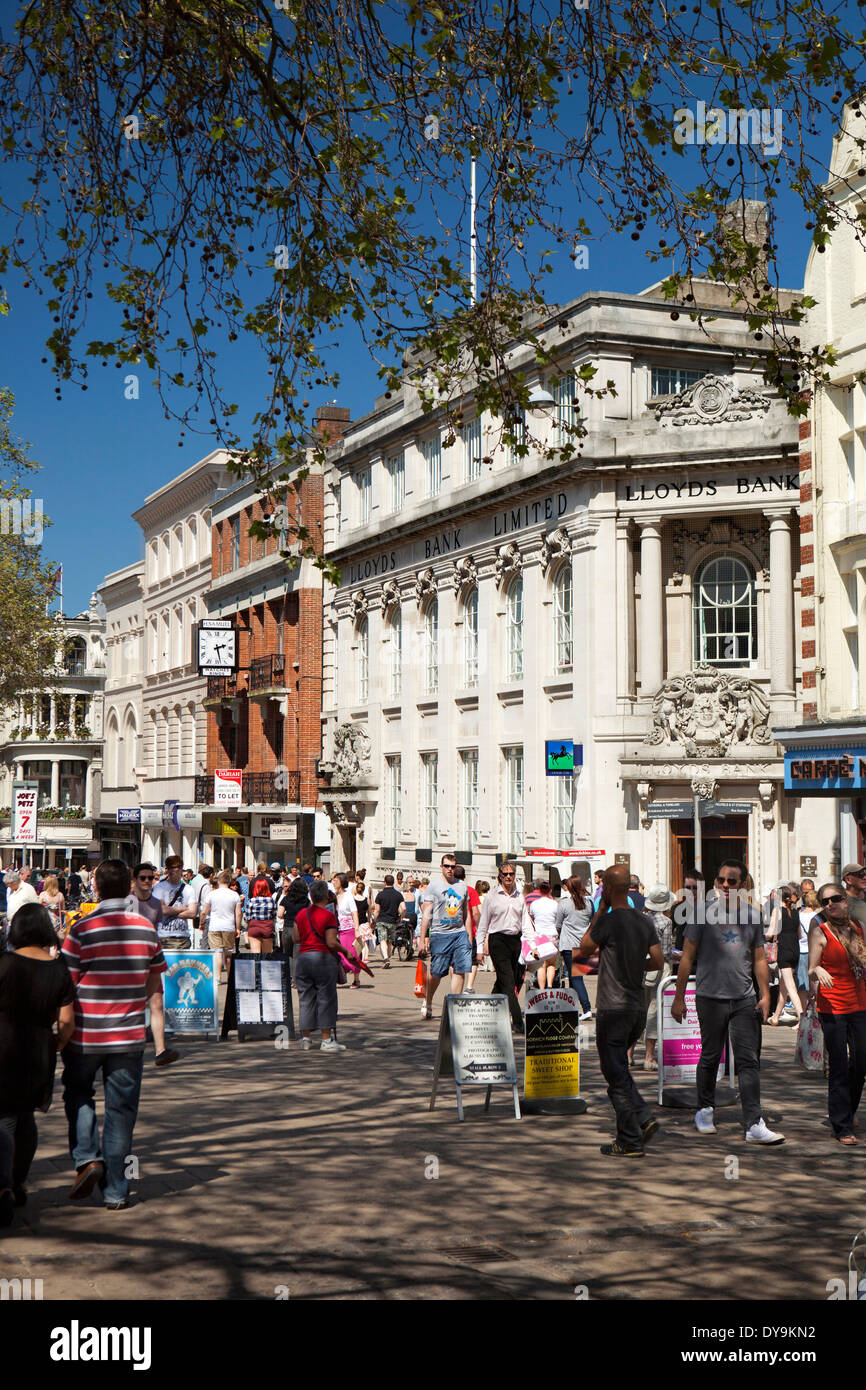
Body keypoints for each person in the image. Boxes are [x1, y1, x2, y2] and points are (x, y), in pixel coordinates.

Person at [61, 859, 167, 1209]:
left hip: (86, 1034)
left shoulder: (81, 929)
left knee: (78, 1094)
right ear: (128, 888)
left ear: (97, 888)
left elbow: (67, 983)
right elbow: (154, 980)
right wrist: (135, 997)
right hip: (129, 1034)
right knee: (121, 1112)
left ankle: (87, 1157)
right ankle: (116, 1190)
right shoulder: (145, 929)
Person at [672, 857, 783, 1145]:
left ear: (741, 885)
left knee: (748, 1061)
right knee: (710, 1057)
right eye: (720, 880)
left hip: (745, 999)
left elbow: (759, 958)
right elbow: (686, 957)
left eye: (731, 881)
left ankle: (754, 1122)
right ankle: (705, 1109)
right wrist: (679, 998)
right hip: (709, 997)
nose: (724, 885)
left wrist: (766, 994)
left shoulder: (751, 915)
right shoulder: (699, 913)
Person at [578, 865, 664, 1157]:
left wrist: (600, 911)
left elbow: (585, 948)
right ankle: (637, 1124)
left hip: (613, 1007)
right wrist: (637, 967)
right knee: (618, 1070)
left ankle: (632, 1134)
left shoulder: (609, 921)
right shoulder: (644, 921)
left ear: (609, 890)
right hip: (637, 1007)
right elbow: (659, 961)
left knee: (615, 1075)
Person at [0, 904, 76, 1224]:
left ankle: (2, 1187)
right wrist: (56, 1043)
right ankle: (18, 1180)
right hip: (38, 1050)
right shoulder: (59, 969)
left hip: (3, 1046)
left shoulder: (3, 963)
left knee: (3, 1119)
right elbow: (67, 1021)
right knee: (26, 1116)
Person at [808, 883, 866, 1145]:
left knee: (861, 1063)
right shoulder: (821, 932)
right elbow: (811, 968)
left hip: (860, 1004)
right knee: (840, 1065)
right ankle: (841, 1125)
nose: (831, 904)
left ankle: (848, 1110)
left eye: (836, 899)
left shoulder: (858, 929)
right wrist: (817, 971)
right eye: (825, 901)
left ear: (846, 901)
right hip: (832, 1006)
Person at [127, 863, 179, 1067]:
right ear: (135, 880)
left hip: (152, 957)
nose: (148, 881)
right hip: (132, 960)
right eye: (143, 878)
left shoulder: (156, 903)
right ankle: (132, 1048)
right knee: (135, 1006)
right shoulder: (129, 901)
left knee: (157, 1003)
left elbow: (155, 929)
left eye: (151, 877)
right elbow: (130, 929)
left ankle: (160, 1051)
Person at [475, 861, 532, 1033]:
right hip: (498, 941)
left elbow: (526, 923)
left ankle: (489, 1011)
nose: (508, 876)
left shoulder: (519, 896)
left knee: (511, 979)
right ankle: (517, 1020)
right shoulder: (492, 896)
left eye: (511, 874)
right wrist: (479, 949)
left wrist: (532, 945)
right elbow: (483, 924)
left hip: (516, 941)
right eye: (505, 874)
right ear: (500, 875)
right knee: (508, 981)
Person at [293, 880, 347, 1051]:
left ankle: (306, 1038)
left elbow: (296, 938)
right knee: (326, 998)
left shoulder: (301, 914)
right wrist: (345, 951)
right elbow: (331, 942)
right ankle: (326, 1039)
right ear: (325, 896)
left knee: (305, 999)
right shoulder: (328, 916)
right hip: (323, 959)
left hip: (303, 959)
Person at [418, 855, 470, 1021]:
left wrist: (468, 935)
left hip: (459, 933)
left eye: (453, 866)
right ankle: (428, 1000)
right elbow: (426, 914)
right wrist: (422, 939)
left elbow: (466, 914)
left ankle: (455, 1007)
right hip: (440, 934)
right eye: (447, 866)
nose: (450, 869)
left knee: (460, 969)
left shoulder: (462, 886)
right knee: (437, 973)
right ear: (441, 866)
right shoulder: (433, 886)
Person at [638, 883, 677, 1070]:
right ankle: (649, 1056)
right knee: (654, 1010)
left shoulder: (642, 919)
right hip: (660, 969)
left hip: (641, 968)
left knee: (641, 1009)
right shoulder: (666, 922)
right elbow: (667, 951)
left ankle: (629, 1054)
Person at [555, 876, 594, 1021]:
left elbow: (558, 924)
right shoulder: (589, 903)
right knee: (575, 977)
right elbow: (592, 921)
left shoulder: (564, 904)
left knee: (576, 978)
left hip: (568, 944)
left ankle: (586, 1007)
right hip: (583, 944)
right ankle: (574, 1007)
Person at [767, 883, 804, 1026]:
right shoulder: (795, 912)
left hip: (784, 949)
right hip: (795, 949)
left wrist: (761, 936)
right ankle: (776, 1016)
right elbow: (800, 935)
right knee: (784, 985)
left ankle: (802, 1018)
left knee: (790, 986)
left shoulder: (777, 911)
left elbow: (771, 932)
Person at [201, 870, 242, 979]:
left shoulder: (212, 894)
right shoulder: (235, 895)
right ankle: (229, 977)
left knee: (217, 953)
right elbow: (238, 913)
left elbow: (204, 911)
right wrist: (238, 928)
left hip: (214, 926)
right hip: (229, 926)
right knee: (228, 954)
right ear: (229, 881)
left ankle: (218, 977)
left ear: (218, 881)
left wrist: (201, 923)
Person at [151, 855, 197, 951]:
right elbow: (162, 910)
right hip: (164, 937)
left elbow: (193, 913)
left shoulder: (189, 889)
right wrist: (184, 908)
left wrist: (170, 912)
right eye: (169, 868)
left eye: (174, 868)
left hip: (182, 937)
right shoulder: (159, 887)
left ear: (181, 869)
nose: (171, 871)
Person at [526, 879, 559, 990]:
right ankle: (549, 985)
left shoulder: (534, 904)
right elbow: (557, 920)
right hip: (552, 935)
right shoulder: (555, 904)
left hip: (539, 936)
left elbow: (531, 919)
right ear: (550, 891)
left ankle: (541, 989)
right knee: (551, 964)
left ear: (539, 891)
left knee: (541, 965)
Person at [453, 865, 481, 991]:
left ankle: (455, 983)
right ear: (465, 876)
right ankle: (469, 986)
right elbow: (475, 912)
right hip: (470, 932)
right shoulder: (471, 890)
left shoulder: (450, 890)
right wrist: (478, 926)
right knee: (472, 959)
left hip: (454, 930)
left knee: (454, 959)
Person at [333, 871, 362, 986]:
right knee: (339, 955)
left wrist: (356, 929)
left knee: (352, 954)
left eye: (336, 880)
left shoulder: (348, 896)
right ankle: (340, 975)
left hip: (349, 929)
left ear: (342, 882)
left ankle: (356, 978)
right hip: (338, 929)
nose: (334, 883)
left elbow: (354, 913)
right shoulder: (334, 896)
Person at [372, 872, 405, 971]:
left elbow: (377, 910)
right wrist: (400, 917)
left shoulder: (380, 895)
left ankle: (386, 958)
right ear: (393, 882)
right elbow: (404, 908)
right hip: (393, 920)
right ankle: (388, 956)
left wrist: (374, 920)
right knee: (390, 941)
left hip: (382, 920)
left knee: (382, 940)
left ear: (384, 882)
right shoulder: (398, 894)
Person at [245, 871, 277, 956]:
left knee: (255, 956)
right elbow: (274, 915)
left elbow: (247, 917)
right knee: (267, 955)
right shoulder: (271, 900)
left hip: (254, 926)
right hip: (267, 927)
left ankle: (256, 969)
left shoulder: (251, 901)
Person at [798, 887, 820, 1007]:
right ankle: (815, 1009)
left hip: (801, 951)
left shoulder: (799, 915)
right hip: (813, 951)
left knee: (802, 984)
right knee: (814, 982)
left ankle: (803, 1012)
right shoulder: (816, 916)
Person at [38, 873, 66, 939]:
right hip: (57, 923)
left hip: (45, 922)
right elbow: (63, 910)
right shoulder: (60, 895)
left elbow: (38, 909)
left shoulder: (43, 895)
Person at [841, 864, 866, 930]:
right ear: (848, 879)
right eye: (860, 875)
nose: (865, 877)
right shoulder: (840, 902)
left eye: (865, 874)